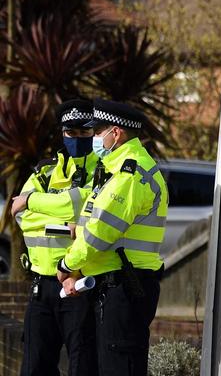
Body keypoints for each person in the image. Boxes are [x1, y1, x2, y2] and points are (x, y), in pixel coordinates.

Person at [58, 99, 168, 376]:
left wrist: (67, 265)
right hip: (114, 284)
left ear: (115, 133)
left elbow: (100, 232)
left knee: (120, 368)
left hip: (125, 285)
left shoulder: (130, 175)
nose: (95, 138)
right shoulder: (116, 172)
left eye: (97, 132)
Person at [9, 98, 100, 376]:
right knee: (34, 367)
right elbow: (20, 216)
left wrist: (33, 200)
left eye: (85, 132)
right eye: (71, 133)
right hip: (42, 286)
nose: (78, 138)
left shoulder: (103, 171)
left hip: (79, 283)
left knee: (82, 366)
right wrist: (69, 223)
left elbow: (82, 203)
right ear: (62, 133)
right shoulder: (44, 171)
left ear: (94, 132)